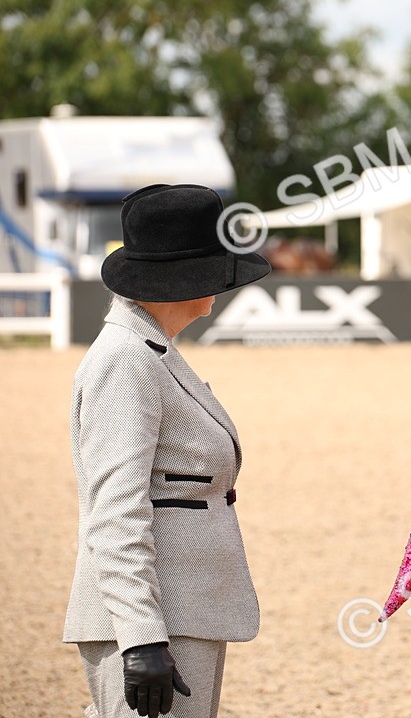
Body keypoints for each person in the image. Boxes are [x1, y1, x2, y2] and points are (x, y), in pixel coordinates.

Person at [63, 184, 271, 718]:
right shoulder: (126, 359)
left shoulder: (151, 350)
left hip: (182, 611)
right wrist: (141, 638)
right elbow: (115, 511)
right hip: (154, 620)